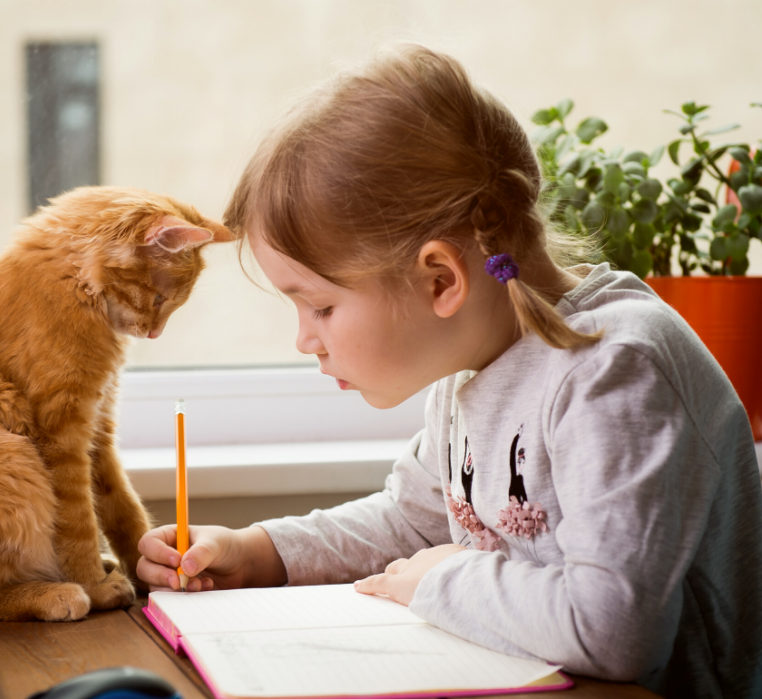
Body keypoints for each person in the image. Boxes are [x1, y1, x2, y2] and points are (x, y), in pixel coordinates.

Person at [135, 45, 762, 698]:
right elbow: (411, 524)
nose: (304, 339)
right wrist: (259, 550)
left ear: (440, 279)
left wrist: (440, 580)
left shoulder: (617, 370)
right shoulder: (472, 368)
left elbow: (614, 628)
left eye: (319, 304)